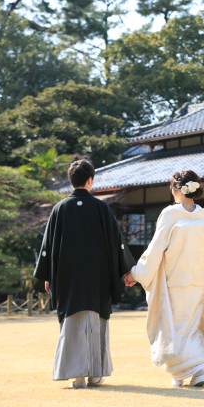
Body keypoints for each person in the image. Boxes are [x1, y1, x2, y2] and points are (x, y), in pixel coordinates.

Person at [34, 159, 136, 389]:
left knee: (72, 321)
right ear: (90, 180)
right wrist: (125, 270)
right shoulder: (101, 208)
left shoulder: (60, 208)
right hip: (98, 276)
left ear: (71, 181)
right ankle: (94, 375)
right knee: (96, 320)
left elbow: (48, 246)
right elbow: (116, 243)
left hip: (68, 277)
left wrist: (49, 274)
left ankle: (76, 376)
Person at [123, 170, 204, 388]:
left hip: (175, 281)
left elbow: (155, 248)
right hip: (198, 281)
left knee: (175, 326)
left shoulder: (170, 214)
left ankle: (188, 372)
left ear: (177, 189)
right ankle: (192, 372)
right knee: (192, 326)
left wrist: (137, 273)